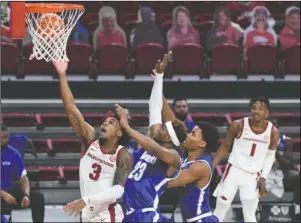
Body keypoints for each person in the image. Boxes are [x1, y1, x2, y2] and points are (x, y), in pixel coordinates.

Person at [52, 61, 133, 222]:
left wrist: (87, 200)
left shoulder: (123, 154)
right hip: (87, 213)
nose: (104, 123)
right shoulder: (91, 139)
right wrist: (62, 75)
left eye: (111, 123)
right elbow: (71, 109)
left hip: (107, 215)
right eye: (105, 121)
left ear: (119, 132)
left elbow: (118, 190)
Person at [119, 52, 188, 222]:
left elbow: (154, 148)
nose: (161, 126)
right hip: (128, 210)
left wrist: (127, 127)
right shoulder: (159, 139)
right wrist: (159, 77)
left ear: (169, 138)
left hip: (146, 212)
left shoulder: (173, 156)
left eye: (165, 127)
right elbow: (154, 109)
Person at [212, 96, 280, 222]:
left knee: (250, 215)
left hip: (253, 176)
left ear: (267, 113)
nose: (256, 111)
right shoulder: (238, 125)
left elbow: (270, 156)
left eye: (261, 109)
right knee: (220, 210)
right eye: (254, 108)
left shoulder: (273, 132)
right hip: (234, 170)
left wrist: (263, 177)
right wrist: (211, 166)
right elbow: (225, 146)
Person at [162, 94, 220, 222]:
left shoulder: (200, 166)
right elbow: (172, 123)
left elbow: (169, 183)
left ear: (202, 143)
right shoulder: (188, 152)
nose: (187, 135)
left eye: (193, 134)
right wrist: (158, 84)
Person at [1, 124, 45, 223]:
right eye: (0, 137)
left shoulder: (14, 153)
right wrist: (3, 194)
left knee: (38, 198)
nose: (3, 140)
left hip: (9, 190)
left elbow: (23, 177)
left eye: (5, 137)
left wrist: (26, 195)